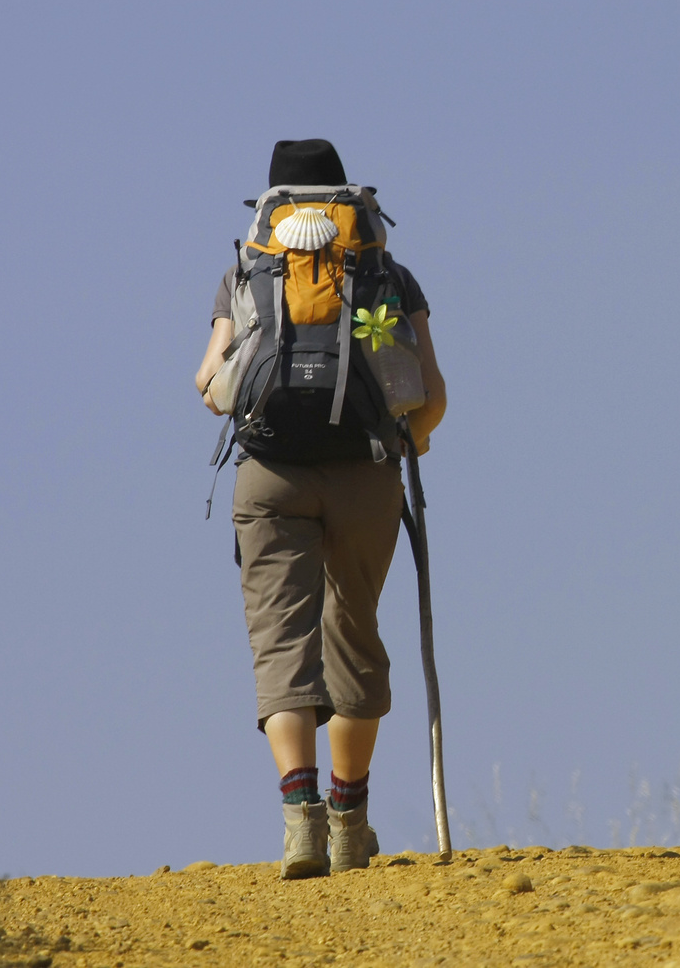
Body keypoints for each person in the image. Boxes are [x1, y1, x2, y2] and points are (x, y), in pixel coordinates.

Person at [195, 139, 447, 878]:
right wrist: (409, 446)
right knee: (354, 637)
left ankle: (298, 820)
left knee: (282, 643)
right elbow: (430, 395)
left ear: (269, 202)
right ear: (349, 198)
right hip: (367, 473)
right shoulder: (384, 272)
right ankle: (348, 820)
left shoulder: (248, 272)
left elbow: (210, 382)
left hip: (269, 475)